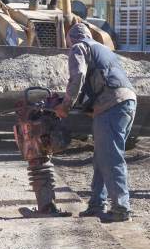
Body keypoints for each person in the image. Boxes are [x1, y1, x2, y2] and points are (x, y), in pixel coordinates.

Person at [56, 23, 137, 222]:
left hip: (112, 104)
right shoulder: (103, 49)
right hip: (127, 102)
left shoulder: (79, 47)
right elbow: (101, 79)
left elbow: (79, 76)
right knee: (102, 157)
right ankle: (96, 204)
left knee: (111, 157)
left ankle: (121, 209)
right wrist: (89, 106)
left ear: (72, 39)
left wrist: (65, 104)